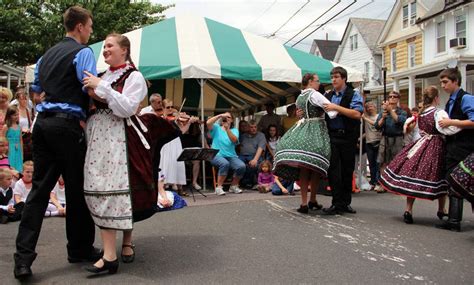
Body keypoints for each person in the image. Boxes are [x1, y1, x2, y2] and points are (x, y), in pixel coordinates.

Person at [82, 33, 191, 274]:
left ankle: (126, 243)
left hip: (122, 138)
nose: (105, 50)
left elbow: (127, 108)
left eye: (110, 46)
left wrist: (102, 88)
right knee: (102, 192)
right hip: (99, 139)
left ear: (124, 50)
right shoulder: (103, 75)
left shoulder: (134, 77)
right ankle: (109, 253)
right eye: (105, 47)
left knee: (123, 191)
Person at [14, 6, 100, 279]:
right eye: (89, 26)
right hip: (67, 125)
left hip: (43, 124)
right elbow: (89, 86)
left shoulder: (45, 56)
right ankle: (79, 248)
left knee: (38, 192)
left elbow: (36, 90)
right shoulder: (83, 52)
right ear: (79, 27)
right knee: (77, 190)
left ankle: (23, 260)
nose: (90, 31)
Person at [379, 86, 460, 224]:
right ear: (436, 98)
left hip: (421, 144)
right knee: (441, 176)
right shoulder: (438, 113)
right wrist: (460, 125)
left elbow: (407, 128)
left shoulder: (420, 114)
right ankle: (442, 209)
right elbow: (448, 130)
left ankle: (408, 210)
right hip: (436, 145)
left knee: (413, 173)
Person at [274, 73, 338, 213]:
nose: (319, 83)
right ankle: (312, 199)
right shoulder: (315, 94)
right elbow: (332, 112)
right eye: (317, 80)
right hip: (316, 131)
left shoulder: (300, 96)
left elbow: (301, 114)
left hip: (302, 130)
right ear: (310, 81)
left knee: (304, 168)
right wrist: (336, 107)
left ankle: (305, 202)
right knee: (315, 166)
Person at [436, 68, 474, 232]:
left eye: (445, 82)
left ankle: (454, 220)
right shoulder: (451, 100)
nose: (443, 86)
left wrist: (451, 122)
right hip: (453, 146)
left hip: (465, 146)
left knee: (465, 182)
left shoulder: (465, 98)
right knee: (454, 181)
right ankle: (453, 220)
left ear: (455, 81)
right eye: (441, 82)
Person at [321, 67, 364, 215]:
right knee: (333, 171)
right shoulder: (328, 95)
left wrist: (336, 108)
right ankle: (336, 202)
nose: (333, 79)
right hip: (332, 136)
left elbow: (357, 113)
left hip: (348, 136)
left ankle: (345, 203)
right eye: (332, 77)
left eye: (337, 77)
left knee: (347, 169)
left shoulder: (354, 94)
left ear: (344, 78)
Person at [374, 91, 407, 193]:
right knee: (383, 161)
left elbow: (400, 121)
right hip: (385, 137)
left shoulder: (402, 112)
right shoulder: (383, 112)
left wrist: (390, 111)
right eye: (390, 97)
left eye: (395, 97)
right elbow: (377, 126)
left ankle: (395, 185)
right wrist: (383, 117)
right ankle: (383, 184)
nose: (392, 98)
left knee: (397, 162)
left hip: (398, 138)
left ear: (398, 99)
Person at [207, 112, 246, 195]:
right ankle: (219, 187)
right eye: (225, 117)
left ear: (232, 120)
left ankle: (234, 186)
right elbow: (208, 122)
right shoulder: (216, 127)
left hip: (230, 156)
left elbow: (234, 140)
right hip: (216, 155)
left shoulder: (234, 130)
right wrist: (220, 115)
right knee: (225, 163)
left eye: (228, 117)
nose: (226, 118)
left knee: (241, 166)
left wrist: (227, 129)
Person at [159, 99, 188, 196]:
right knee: (165, 164)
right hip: (166, 144)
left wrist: (188, 122)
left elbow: (182, 132)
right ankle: (162, 188)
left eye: (171, 107)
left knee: (178, 163)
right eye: (168, 107)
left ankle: (180, 188)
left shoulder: (174, 120)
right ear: (162, 108)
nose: (170, 109)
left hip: (176, 143)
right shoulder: (160, 119)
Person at [239, 120, 266, 188]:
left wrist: (255, 159)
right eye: (251, 127)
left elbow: (260, 149)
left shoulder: (261, 135)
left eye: (255, 127)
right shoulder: (243, 135)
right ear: (248, 128)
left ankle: (247, 182)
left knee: (254, 165)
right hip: (242, 155)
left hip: (254, 155)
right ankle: (239, 182)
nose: (253, 129)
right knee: (238, 165)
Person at [362, 101, 382, 190]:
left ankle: (378, 181)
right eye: (368, 107)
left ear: (375, 107)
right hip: (369, 142)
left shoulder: (379, 116)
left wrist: (365, 118)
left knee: (378, 163)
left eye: (371, 106)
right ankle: (373, 181)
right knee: (371, 163)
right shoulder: (365, 117)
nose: (369, 108)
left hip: (378, 141)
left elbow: (376, 124)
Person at [4, 106, 23, 172]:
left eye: (18, 114)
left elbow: (20, 140)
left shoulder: (19, 127)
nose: (17, 116)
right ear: (9, 116)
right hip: (9, 149)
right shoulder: (6, 127)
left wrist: (22, 152)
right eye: (14, 115)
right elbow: (2, 139)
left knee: (18, 167)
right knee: (10, 165)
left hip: (18, 150)